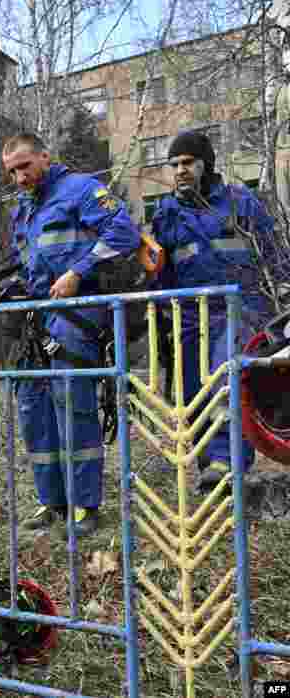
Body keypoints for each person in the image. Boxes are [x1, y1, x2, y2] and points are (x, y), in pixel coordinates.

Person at [2, 132, 141, 537]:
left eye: (25, 166)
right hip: (37, 317)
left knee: (72, 404)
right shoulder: (23, 210)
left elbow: (124, 234)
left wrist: (78, 272)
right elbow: (27, 265)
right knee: (32, 407)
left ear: (45, 156)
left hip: (77, 315)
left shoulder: (81, 190)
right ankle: (52, 502)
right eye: (12, 172)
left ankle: (84, 506)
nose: (20, 178)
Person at [150, 130, 275, 494]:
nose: (180, 171)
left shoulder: (241, 202)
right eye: (174, 165)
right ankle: (211, 465)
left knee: (226, 381)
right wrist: (161, 315)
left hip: (242, 308)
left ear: (206, 163)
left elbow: (273, 254)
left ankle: (227, 461)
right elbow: (164, 271)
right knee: (193, 392)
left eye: (187, 162)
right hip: (190, 315)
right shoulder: (167, 213)